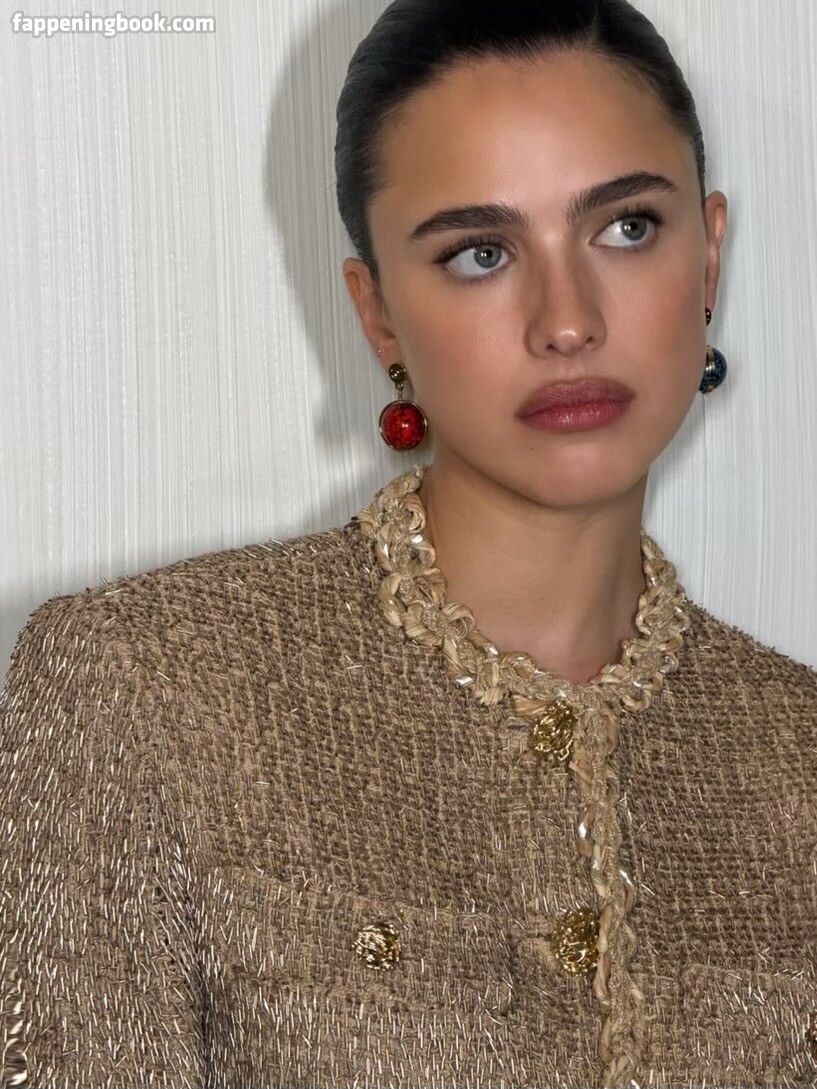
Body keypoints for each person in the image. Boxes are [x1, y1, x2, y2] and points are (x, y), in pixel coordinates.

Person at [2, 0, 816, 1086]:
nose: (566, 320)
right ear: (377, 312)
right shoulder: (145, 688)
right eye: (480, 253)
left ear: (709, 257)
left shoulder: (795, 755)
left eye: (625, 228)